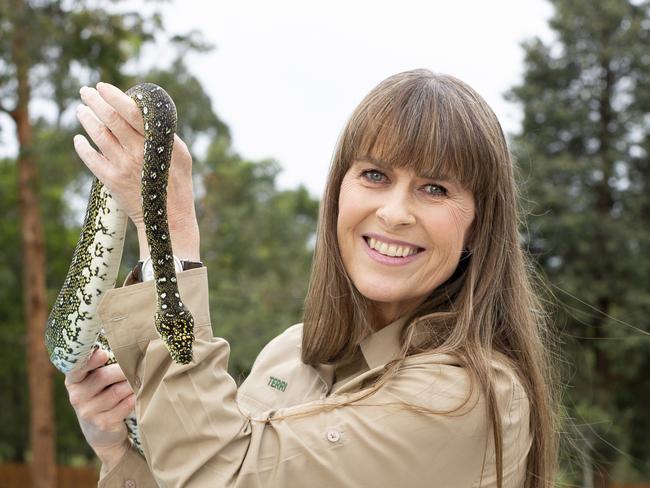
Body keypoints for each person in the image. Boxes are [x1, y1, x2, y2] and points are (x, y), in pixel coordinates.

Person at [65, 69, 559, 487]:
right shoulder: (290, 353)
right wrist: (119, 450)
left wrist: (165, 226)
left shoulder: (466, 397)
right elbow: (206, 470)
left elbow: (224, 474)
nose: (394, 213)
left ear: (478, 225)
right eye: (374, 176)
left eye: (435, 188)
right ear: (338, 192)